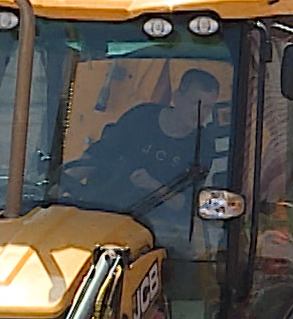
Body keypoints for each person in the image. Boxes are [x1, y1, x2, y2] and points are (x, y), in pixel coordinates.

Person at [63, 67, 228, 236]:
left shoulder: (203, 146)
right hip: (106, 209)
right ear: (177, 97)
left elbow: (184, 204)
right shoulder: (141, 118)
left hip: (160, 229)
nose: (200, 114)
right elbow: (99, 154)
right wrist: (64, 184)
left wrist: (152, 185)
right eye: (196, 104)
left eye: (207, 108)